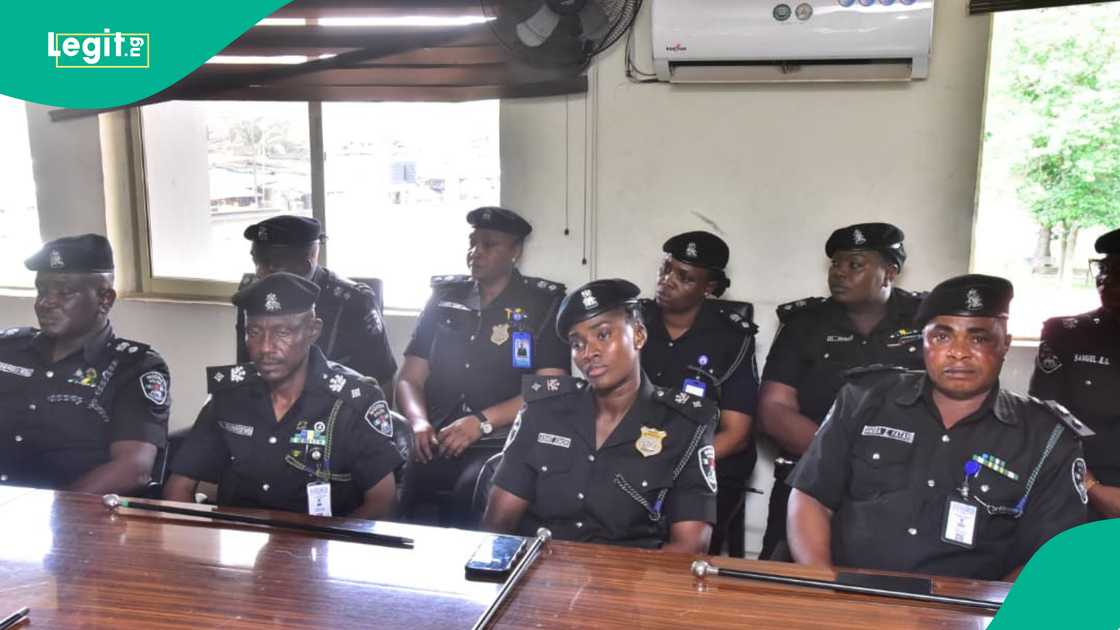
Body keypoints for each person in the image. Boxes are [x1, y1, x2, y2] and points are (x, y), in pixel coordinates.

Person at [787, 274, 1090, 580]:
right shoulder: (864, 400)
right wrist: (822, 586)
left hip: (968, 614)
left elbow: (1051, 554)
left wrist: (989, 616)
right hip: (849, 598)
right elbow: (811, 497)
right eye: (942, 337)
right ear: (924, 342)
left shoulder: (1047, 437)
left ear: (1005, 345)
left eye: (979, 338)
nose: (958, 352)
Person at [483, 279, 718, 552]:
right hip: (545, 576)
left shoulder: (685, 425)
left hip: (631, 583)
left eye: (603, 335)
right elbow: (497, 526)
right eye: (577, 343)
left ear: (639, 335)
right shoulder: (542, 412)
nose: (589, 353)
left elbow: (689, 546)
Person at [165, 273, 401, 518]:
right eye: (254, 332)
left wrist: (332, 550)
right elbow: (178, 489)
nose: (265, 347)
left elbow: (382, 503)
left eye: (282, 333)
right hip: (241, 545)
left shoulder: (354, 400)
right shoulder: (231, 396)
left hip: (322, 547)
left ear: (313, 330)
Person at [757, 222, 925, 559]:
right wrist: (842, 456)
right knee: (780, 589)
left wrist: (878, 461)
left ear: (889, 272)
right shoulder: (804, 323)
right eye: (836, 264)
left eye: (855, 264)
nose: (839, 273)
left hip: (903, 483)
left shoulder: (926, 320)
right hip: (811, 477)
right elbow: (773, 409)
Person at [396, 207, 568, 526]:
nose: (475, 253)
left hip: (499, 440)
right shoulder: (444, 298)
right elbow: (409, 378)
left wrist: (482, 423)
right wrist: (418, 422)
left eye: (489, 245)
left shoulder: (543, 304)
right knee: (404, 490)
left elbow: (550, 389)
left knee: (471, 490)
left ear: (515, 251)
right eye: (473, 243)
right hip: (436, 436)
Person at [0, 234, 170, 494]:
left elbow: (133, 468)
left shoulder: (135, 368)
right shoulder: (8, 349)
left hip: (76, 520)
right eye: (41, 290)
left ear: (105, 299)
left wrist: (52, 511)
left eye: (63, 293)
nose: (45, 302)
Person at [640, 231, 758, 556]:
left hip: (704, 460)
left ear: (708, 287)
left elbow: (736, 434)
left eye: (684, 277)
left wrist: (673, 466)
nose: (666, 281)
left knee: (688, 542)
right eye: (665, 269)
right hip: (637, 454)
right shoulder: (634, 323)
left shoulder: (732, 337)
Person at [236, 215, 397, 388]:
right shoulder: (253, 295)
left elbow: (381, 379)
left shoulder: (353, 303)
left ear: (305, 266)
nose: (259, 273)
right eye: (256, 261)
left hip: (336, 408)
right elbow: (247, 370)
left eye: (271, 266)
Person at [1030, 227, 1120, 519]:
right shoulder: (1067, 334)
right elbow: (1044, 417)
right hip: (1080, 486)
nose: (1106, 278)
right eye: (1104, 268)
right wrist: (1092, 488)